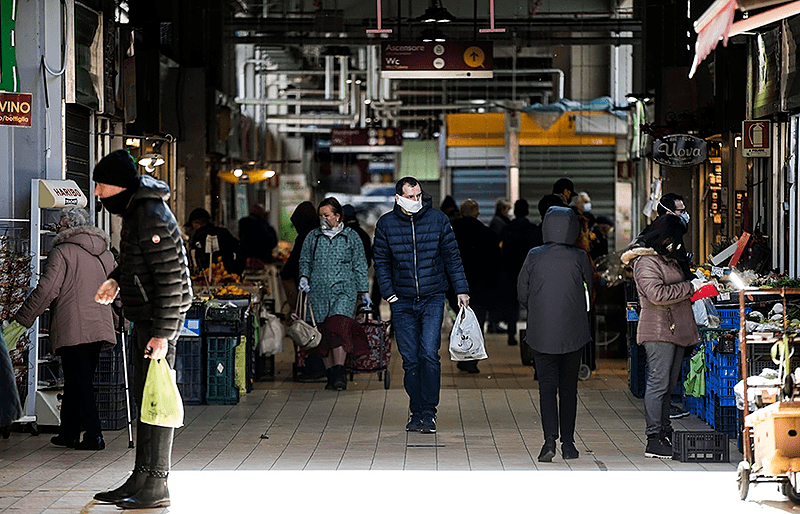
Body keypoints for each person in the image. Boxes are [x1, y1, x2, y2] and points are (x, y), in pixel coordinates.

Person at [92, 149, 192, 509]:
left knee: (157, 402)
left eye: (102, 186)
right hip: (146, 320)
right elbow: (140, 264)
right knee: (143, 400)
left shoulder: (150, 216)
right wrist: (117, 281)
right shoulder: (137, 212)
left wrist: (163, 334)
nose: (99, 194)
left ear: (119, 185)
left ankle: (157, 484)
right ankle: (141, 476)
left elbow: (171, 281)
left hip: (158, 323)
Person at [13, 207, 116, 451]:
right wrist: (122, 319)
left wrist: (22, 319)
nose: (57, 228)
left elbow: (47, 291)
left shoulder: (62, 252)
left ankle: (94, 435)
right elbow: (116, 289)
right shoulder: (106, 254)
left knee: (79, 382)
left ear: (68, 226)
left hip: (74, 325)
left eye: (59, 224)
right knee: (77, 379)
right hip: (100, 325)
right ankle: (68, 432)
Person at [373, 176, 469, 434]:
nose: (416, 201)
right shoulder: (386, 225)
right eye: (410, 197)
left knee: (429, 353)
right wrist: (389, 293)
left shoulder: (438, 220)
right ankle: (416, 410)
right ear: (398, 198)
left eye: (418, 196)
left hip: (433, 297)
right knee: (410, 360)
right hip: (401, 300)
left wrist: (461, 289)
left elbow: (452, 257)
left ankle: (429, 411)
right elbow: (380, 261)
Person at [621, 214, 704, 459]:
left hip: (675, 328)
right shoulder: (645, 262)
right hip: (658, 330)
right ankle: (653, 438)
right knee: (658, 384)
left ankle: (664, 432)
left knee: (667, 385)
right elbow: (656, 294)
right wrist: (690, 287)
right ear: (664, 236)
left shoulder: (665, 258)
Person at [517, 206, 594, 462]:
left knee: (547, 389)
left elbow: (522, 293)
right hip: (573, 333)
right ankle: (569, 443)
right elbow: (589, 294)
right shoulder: (579, 257)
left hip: (541, 334)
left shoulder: (534, 256)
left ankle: (549, 440)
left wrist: (539, 309)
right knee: (568, 389)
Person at [299, 197, 371, 390]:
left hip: (344, 291)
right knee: (324, 333)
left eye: (327, 215)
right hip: (319, 291)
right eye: (320, 215)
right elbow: (305, 260)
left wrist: (364, 291)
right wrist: (304, 277)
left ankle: (339, 371)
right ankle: (331, 375)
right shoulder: (312, 237)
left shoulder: (351, 236)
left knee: (339, 327)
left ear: (337, 216)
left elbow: (360, 265)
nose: (323, 218)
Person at [448, 199, 500, 374]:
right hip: (480, 288)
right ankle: (470, 360)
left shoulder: (451, 232)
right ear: (477, 213)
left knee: (459, 320)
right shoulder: (487, 234)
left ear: (461, 213)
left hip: (454, 287)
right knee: (477, 322)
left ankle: (461, 353)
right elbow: (495, 264)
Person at [280, 201, 328, 383]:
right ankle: (327, 367)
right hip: (326, 288)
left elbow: (293, 266)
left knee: (309, 327)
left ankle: (315, 368)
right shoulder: (323, 232)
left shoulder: (306, 237)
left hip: (310, 290)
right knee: (321, 326)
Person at [496, 199, 538, 345]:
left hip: (510, 270)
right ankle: (533, 333)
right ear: (526, 211)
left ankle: (511, 333)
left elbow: (499, 248)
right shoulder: (532, 229)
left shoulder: (508, 228)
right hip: (528, 270)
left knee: (512, 302)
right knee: (532, 302)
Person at [185, 207, 243, 275]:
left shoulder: (198, 237)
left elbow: (196, 260)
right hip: (228, 274)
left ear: (197, 223)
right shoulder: (224, 232)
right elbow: (240, 249)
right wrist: (237, 270)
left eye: (192, 226)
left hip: (206, 277)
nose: (192, 229)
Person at [238, 204, 278, 270]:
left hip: (247, 261)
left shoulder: (243, 222)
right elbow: (272, 242)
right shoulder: (263, 225)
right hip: (263, 261)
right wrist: (266, 221)